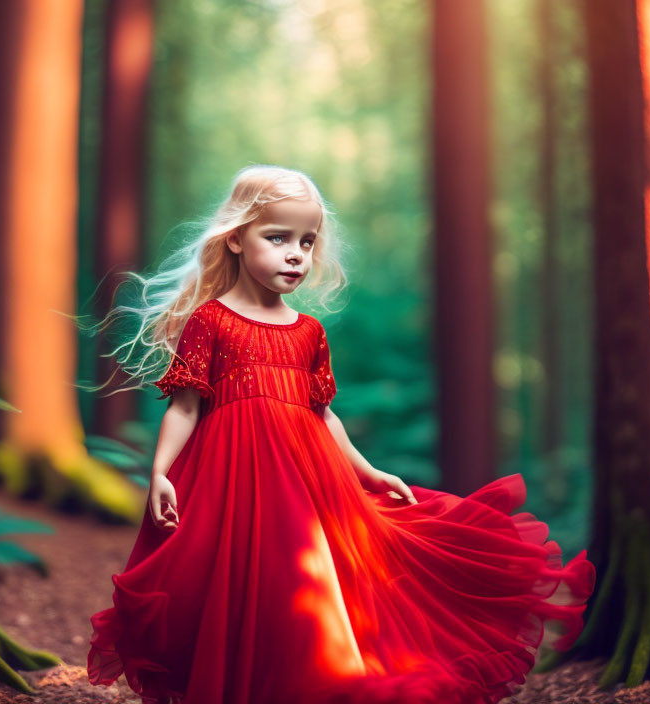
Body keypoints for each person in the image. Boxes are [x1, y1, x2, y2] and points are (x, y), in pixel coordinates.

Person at [84, 165, 595, 704]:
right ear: (235, 239)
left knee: (315, 582)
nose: (295, 254)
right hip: (231, 483)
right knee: (233, 590)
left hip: (308, 483)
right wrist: (161, 472)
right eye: (277, 237)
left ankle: (328, 680)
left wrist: (369, 472)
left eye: (306, 241)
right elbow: (186, 406)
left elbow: (324, 416)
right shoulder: (210, 321)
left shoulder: (309, 332)